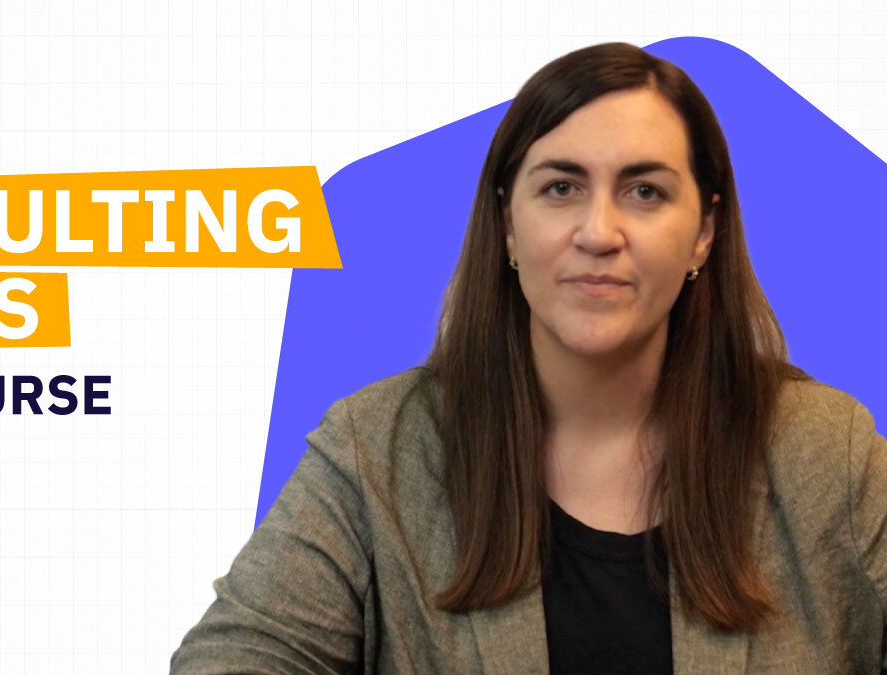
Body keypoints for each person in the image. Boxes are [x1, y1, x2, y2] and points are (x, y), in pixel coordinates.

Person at [169, 42, 887, 674]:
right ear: (508, 225)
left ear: (704, 232)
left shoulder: (830, 450)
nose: (598, 232)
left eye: (645, 191)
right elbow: (232, 657)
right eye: (561, 188)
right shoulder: (375, 447)